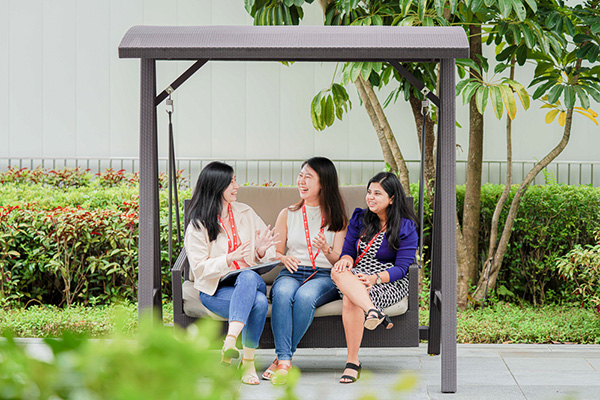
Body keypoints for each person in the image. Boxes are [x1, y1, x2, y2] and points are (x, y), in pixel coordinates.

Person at [184, 161, 279, 385]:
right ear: (217, 186)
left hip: (249, 279)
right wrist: (228, 259)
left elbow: (269, 251)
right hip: (215, 291)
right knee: (258, 303)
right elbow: (198, 268)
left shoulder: (245, 212)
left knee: (246, 276)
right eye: (231, 182)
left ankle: (229, 342)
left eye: (235, 180)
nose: (236, 186)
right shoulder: (198, 225)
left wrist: (261, 250)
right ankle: (247, 364)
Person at [262, 157, 348, 384]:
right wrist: (284, 257)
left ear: (324, 184)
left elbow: (338, 260)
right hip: (292, 271)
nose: (301, 180)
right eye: (301, 175)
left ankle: (281, 360)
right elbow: (275, 253)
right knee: (281, 294)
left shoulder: (337, 218)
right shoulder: (288, 213)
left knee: (305, 297)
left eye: (308, 176)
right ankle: (285, 361)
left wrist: (326, 249)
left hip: (323, 275)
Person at [331, 172, 418, 384]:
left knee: (350, 299)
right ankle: (372, 311)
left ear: (392, 198)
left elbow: (402, 268)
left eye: (377, 193)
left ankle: (352, 362)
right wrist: (346, 261)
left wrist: (375, 278)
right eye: (369, 192)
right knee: (336, 271)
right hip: (357, 275)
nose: (371, 197)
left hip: (388, 280)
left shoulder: (406, 227)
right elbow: (349, 251)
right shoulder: (360, 218)